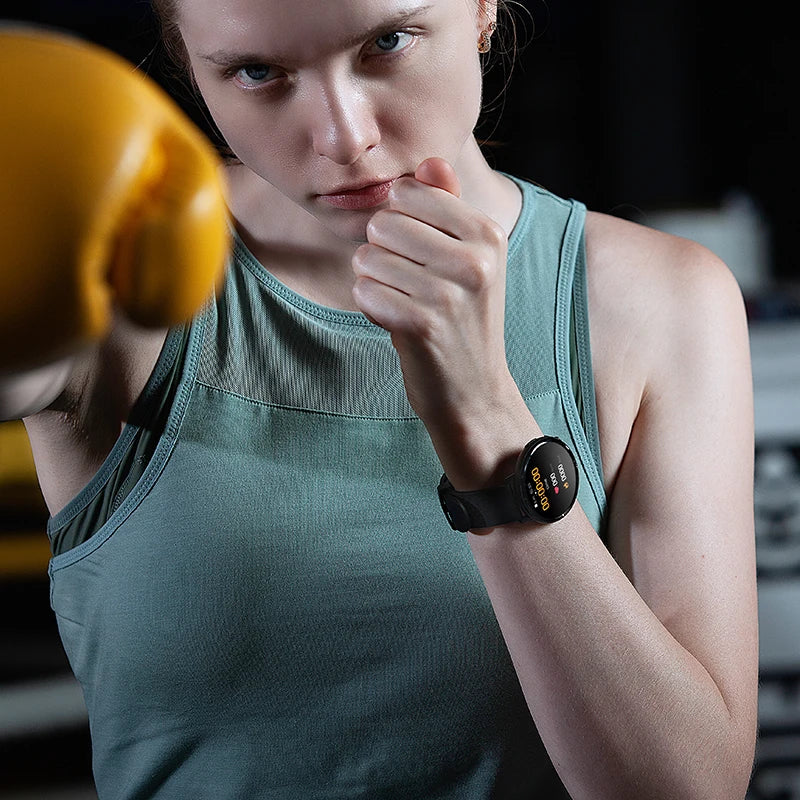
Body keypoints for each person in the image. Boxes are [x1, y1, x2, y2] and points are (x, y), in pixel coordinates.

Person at [1, 0, 758, 797]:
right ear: (189, 60)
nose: (344, 136)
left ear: (481, 11)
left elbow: (687, 788)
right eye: (258, 72)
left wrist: (484, 415)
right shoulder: (112, 276)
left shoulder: (654, 303)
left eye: (387, 43)